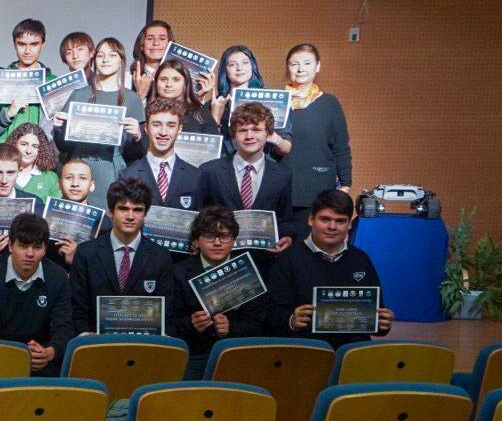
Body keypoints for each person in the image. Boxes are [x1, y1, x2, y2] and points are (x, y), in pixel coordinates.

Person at [266, 189, 393, 349]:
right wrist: (291, 321)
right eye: (325, 219)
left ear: (349, 225)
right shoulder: (288, 259)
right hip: (304, 349)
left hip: (351, 350)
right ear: (311, 219)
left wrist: (382, 324)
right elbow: (271, 313)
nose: (332, 226)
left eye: (340, 221)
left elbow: (376, 314)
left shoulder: (361, 260)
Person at [0, 212, 73, 377]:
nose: (30, 254)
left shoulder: (58, 277)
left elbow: (63, 327)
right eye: (23, 245)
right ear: (10, 246)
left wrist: (49, 352)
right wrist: (18, 355)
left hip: (42, 361)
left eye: (37, 247)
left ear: (45, 249)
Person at [68, 176, 176, 335]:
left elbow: (167, 312)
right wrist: (86, 335)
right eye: (123, 208)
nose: (130, 216)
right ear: (111, 212)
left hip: (143, 347)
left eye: (138, 210)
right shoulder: (86, 253)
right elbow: (77, 308)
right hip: (96, 347)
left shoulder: (161, 257)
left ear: (145, 214)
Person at [167, 206, 267, 377]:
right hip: (192, 357)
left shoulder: (248, 271)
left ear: (234, 240)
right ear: (197, 241)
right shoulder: (178, 273)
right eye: (209, 236)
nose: (217, 243)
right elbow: (168, 326)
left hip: (237, 355)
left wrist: (231, 329)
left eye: (225, 236)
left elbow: (260, 324)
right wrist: (191, 325)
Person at [52, 35, 143, 205]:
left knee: (106, 224)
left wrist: (137, 136)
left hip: (110, 172)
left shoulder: (132, 99)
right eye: (101, 55)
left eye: (112, 55)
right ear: (94, 59)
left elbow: (137, 153)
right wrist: (58, 129)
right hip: (77, 172)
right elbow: (63, 146)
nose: (105, 60)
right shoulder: (79, 94)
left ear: (122, 61)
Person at [198, 102, 295, 250]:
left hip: (265, 258)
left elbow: (286, 220)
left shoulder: (282, 175)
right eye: (243, 130)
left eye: (256, 130)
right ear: (234, 134)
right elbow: (198, 215)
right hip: (220, 256)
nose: (249, 136)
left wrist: (287, 236)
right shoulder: (210, 171)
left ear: (268, 133)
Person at [271, 43, 352, 215]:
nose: (300, 69)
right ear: (288, 68)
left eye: (307, 63)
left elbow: (341, 147)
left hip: (317, 188)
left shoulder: (329, 103)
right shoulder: (276, 101)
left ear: (318, 66)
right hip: (279, 186)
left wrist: (345, 185)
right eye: (294, 64)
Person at [0, 18, 52, 148]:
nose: (27, 51)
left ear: (42, 45)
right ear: (14, 44)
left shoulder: (51, 82)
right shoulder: (0, 82)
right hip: (6, 160)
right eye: (21, 44)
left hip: (40, 161)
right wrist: (8, 114)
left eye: (34, 44)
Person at [120, 98, 202, 211]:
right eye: (156, 125)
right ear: (146, 128)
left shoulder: (195, 176)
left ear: (180, 129)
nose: (163, 133)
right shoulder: (128, 175)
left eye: (171, 126)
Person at [146, 56, 219, 138]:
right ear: (156, 83)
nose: (168, 84)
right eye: (163, 79)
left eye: (176, 80)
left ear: (186, 83)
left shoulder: (200, 112)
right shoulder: (147, 111)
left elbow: (213, 145)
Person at [49, 158, 101, 266]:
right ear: (59, 184)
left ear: (92, 186)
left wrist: (78, 258)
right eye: (69, 177)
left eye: (82, 178)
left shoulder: (103, 224)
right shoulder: (43, 218)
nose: (75, 183)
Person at [211, 44, 266, 134]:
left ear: (253, 66)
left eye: (245, 63)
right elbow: (209, 143)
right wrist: (215, 118)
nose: (239, 68)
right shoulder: (215, 104)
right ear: (225, 70)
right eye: (232, 65)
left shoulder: (269, 99)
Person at [10, 123, 60, 201]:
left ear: (41, 150)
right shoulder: (2, 174)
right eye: (24, 144)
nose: (29, 151)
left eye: (35, 146)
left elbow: (55, 210)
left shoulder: (50, 178)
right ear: (14, 145)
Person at [129, 19, 173, 95]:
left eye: (162, 39)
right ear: (141, 46)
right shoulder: (127, 78)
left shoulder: (181, 78)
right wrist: (140, 95)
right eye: (150, 39)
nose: (156, 43)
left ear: (170, 45)